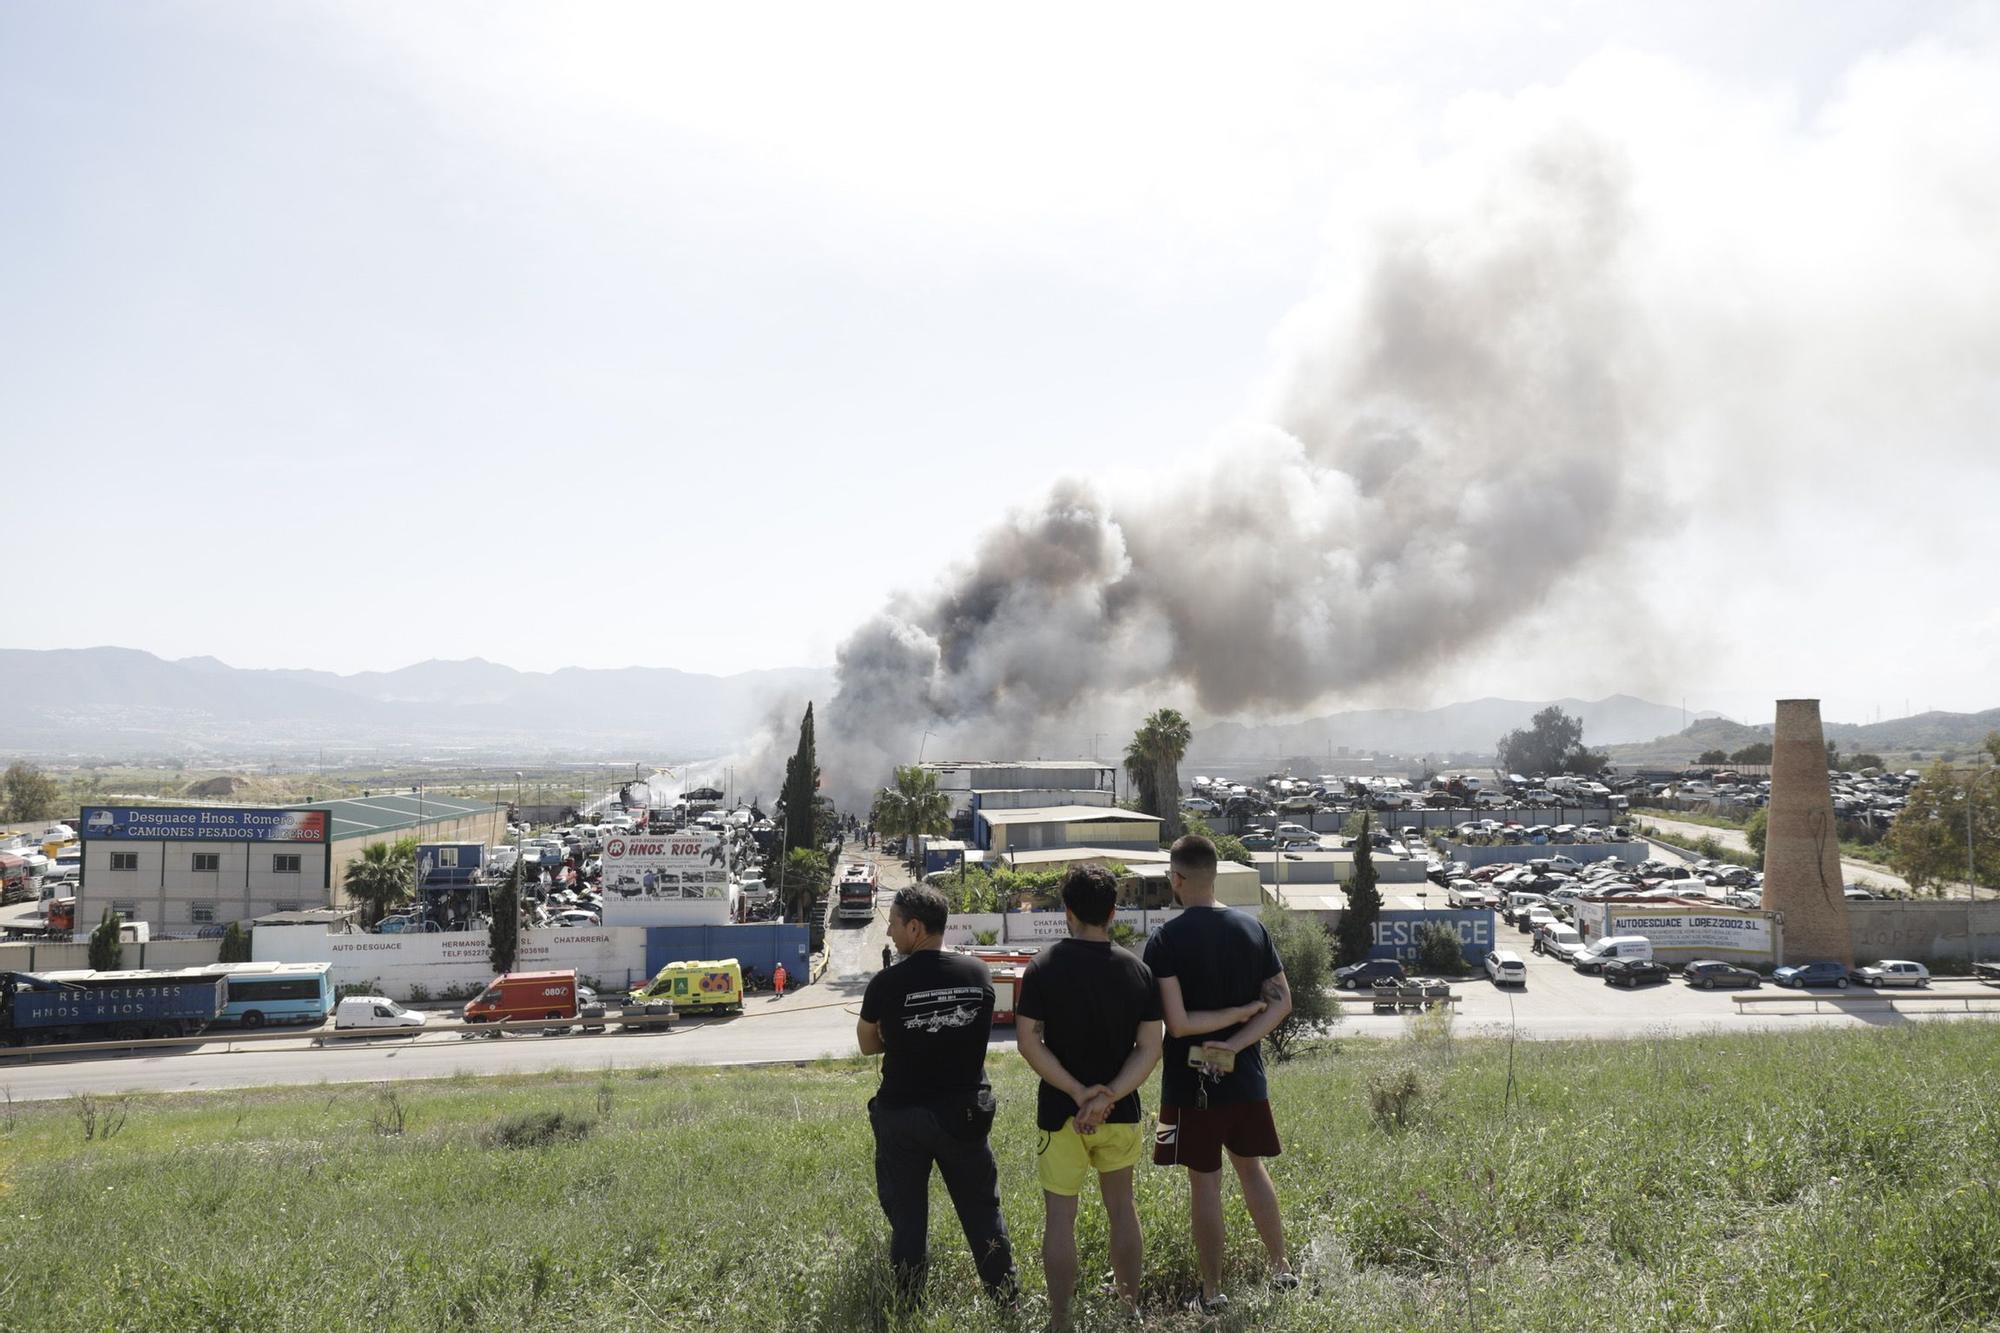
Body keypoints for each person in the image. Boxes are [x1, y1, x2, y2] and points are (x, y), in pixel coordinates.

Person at [1143, 834, 1297, 1314]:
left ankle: (1212, 1291)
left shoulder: (1165, 940)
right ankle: (1282, 1269)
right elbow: (1281, 1004)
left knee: (1204, 1181)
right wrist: (1236, 1037)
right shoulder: (1252, 929)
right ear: (1214, 876)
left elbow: (1181, 1023)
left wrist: (1224, 1028)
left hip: (1191, 1084)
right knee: (1252, 1169)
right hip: (1246, 1076)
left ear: (1177, 879)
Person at [1014, 864, 1164, 1328]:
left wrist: (1080, 1092)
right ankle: (1130, 1309)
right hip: (1120, 1114)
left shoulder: (1043, 967)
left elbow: (1027, 1041)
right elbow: (1151, 1046)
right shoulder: (1138, 971)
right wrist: (1109, 1095)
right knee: (1123, 1208)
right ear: (1113, 912)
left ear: (1068, 912)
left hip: (1061, 1113)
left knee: (1061, 1216)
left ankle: (1061, 1320)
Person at [857, 886, 1017, 1309]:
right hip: (963, 1116)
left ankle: (909, 1306)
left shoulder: (887, 983)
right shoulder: (977, 974)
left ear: (915, 927)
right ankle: (1005, 1299)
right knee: (983, 1213)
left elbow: (868, 1044)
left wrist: (900, 1033)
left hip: (902, 1117)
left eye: (893, 923)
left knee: (908, 1218)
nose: (889, 932)